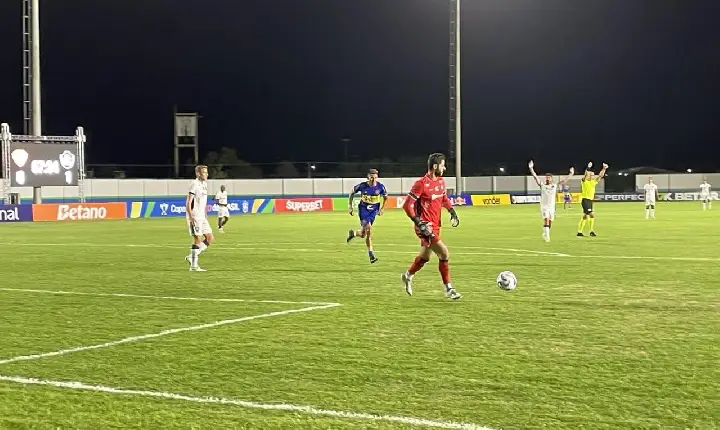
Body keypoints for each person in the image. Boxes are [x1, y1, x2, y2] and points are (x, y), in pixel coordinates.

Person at [400, 153, 461, 300]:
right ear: (435, 166)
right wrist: (418, 222)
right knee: (444, 253)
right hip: (425, 226)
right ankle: (449, 289)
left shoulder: (440, 181)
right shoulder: (421, 183)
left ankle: (407, 276)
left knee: (425, 257)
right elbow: (407, 205)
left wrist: (451, 210)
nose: (445, 167)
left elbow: (443, 198)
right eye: (442, 165)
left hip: (436, 225)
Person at [346, 169, 388, 263]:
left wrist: (382, 208)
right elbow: (351, 193)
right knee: (368, 229)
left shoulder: (381, 187)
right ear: (368, 177)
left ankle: (353, 233)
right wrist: (350, 206)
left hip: (373, 211)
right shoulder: (362, 186)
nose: (373, 179)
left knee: (363, 234)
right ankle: (371, 254)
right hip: (363, 210)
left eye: (375, 177)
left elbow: (386, 198)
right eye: (372, 177)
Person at [528, 161, 574, 242]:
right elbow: (535, 177)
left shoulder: (554, 185)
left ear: (551, 178)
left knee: (550, 222)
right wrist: (531, 168)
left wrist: (571, 173)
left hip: (552, 207)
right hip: (544, 207)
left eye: (549, 177)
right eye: (547, 178)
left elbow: (564, 181)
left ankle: (545, 233)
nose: (548, 179)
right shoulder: (542, 185)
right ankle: (547, 237)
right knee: (546, 219)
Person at [185, 165, 214, 271]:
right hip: (195, 216)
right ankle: (194, 266)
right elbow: (189, 201)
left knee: (210, 238)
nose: (207, 174)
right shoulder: (194, 184)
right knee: (197, 239)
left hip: (202, 216)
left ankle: (191, 257)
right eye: (204, 172)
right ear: (198, 173)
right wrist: (191, 215)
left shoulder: (204, 184)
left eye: (207, 172)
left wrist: (205, 215)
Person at [577, 161, 608, 237]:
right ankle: (591, 231)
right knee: (591, 215)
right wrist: (588, 168)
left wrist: (604, 168)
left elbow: (600, 176)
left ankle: (579, 232)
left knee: (584, 216)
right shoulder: (584, 181)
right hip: (585, 200)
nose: (593, 176)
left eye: (593, 175)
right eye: (592, 175)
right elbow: (585, 174)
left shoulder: (593, 182)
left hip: (590, 201)